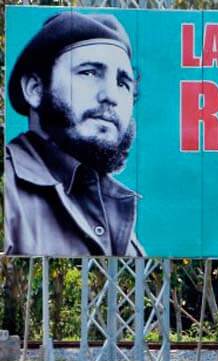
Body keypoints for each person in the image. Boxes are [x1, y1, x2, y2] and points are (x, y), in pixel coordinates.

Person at [5, 12, 143, 256]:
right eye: (89, 72)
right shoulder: (8, 190)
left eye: (123, 83)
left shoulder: (119, 213)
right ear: (35, 90)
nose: (110, 95)